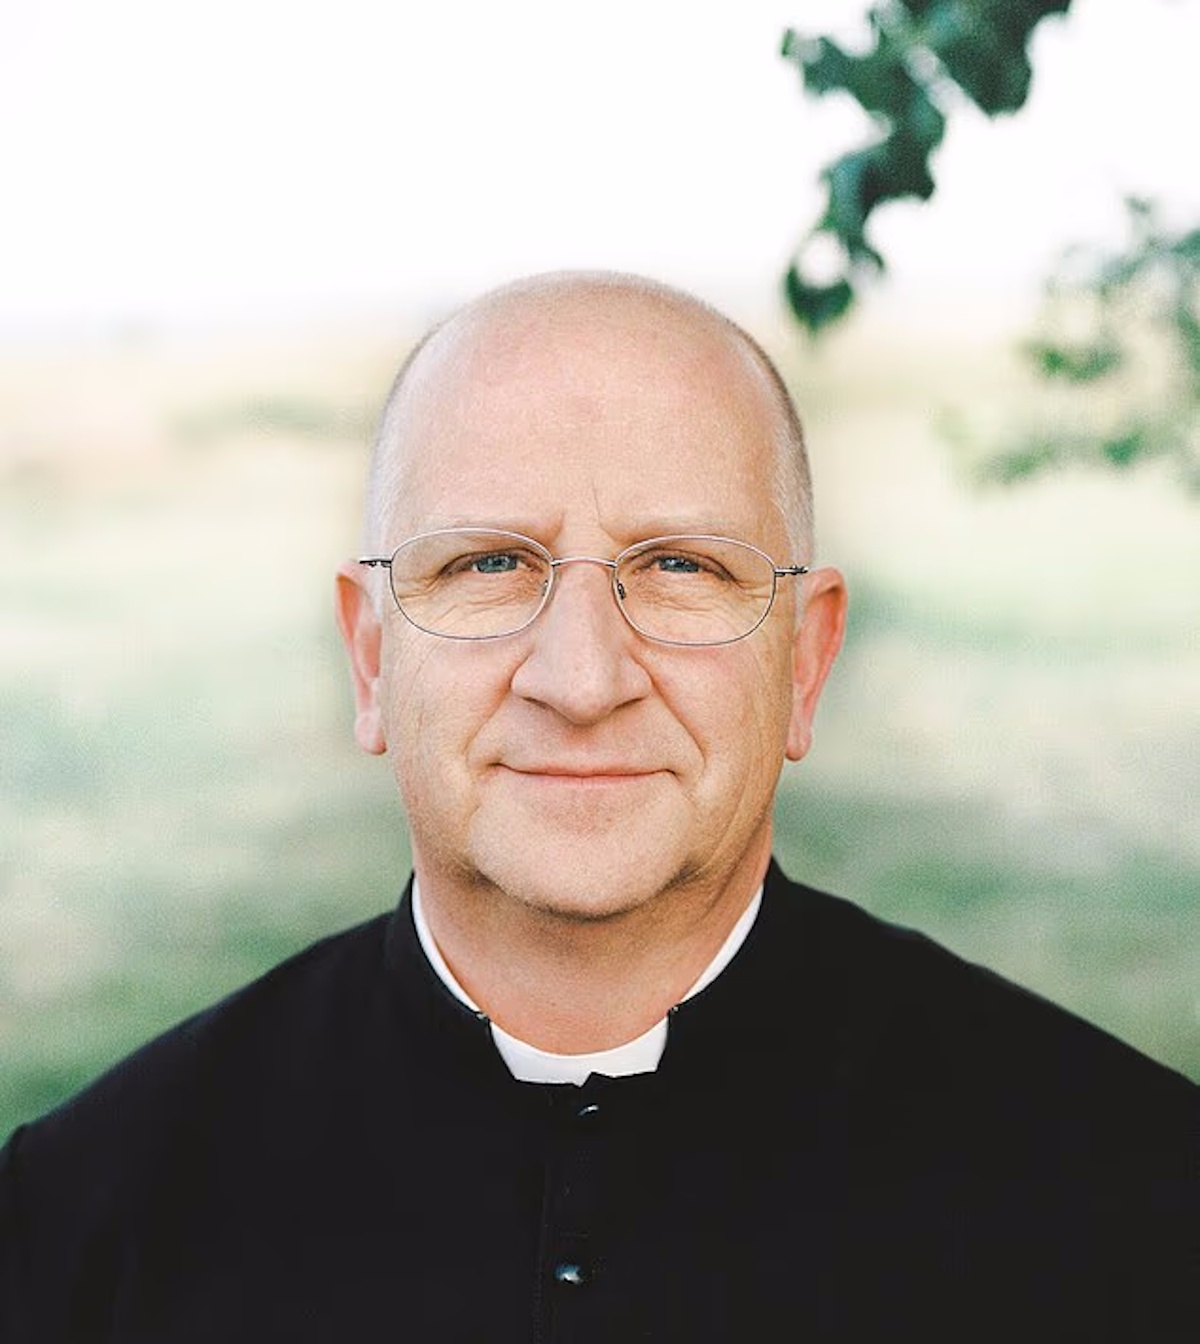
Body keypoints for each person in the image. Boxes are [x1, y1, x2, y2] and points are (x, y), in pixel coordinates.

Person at [0, 273, 1193, 1343]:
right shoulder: (75, 1232)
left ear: (805, 660)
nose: (581, 680)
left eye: (680, 566)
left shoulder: (1141, 1207)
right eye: (487, 563)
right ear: (370, 659)